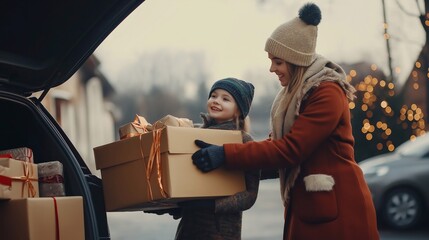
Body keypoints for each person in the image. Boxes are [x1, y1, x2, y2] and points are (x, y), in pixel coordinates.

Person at [191, 3, 380, 240]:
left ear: (295, 60)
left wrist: (226, 155)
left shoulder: (327, 92)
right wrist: (218, 170)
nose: (272, 68)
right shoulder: (290, 96)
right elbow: (273, 153)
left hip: (339, 211)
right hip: (311, 207)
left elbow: (291, 149)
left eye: (278, 62)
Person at [173, 77, 260, 240]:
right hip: (187, 230)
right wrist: (172, 205)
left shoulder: (244, 141)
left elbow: (250, 195)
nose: (216, 101)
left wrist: (211, 205)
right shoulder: (191, 134)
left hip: (221, 232)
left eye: (225, 99)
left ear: (238, 110)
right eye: (213, 95)